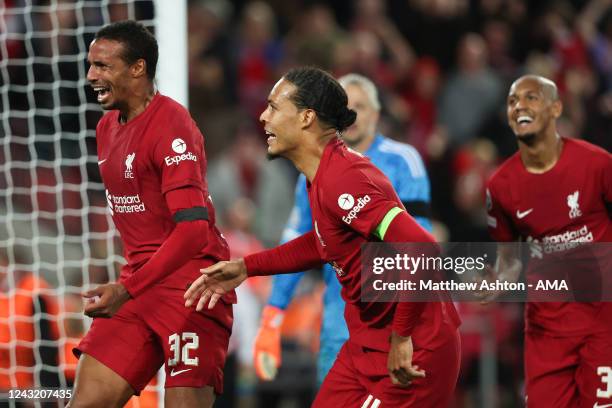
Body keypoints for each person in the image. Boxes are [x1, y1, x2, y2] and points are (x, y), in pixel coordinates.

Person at [185, 67, 460, 407]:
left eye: (274, 107)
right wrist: (247, 267)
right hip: (364, 345)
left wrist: (402, 336)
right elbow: (323, 243)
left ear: (306, 118)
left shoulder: (346, 179)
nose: (263, 116)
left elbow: (423, 249)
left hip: (412, 347)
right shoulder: (319, 176)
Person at [68, 21, 234, 408]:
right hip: (140, 285)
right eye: (91, 65)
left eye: (103, 66)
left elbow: (193, 230)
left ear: (138, 68)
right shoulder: (107, 127)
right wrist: (131, 286)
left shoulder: (173, 125)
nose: (91, 75)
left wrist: (127, 288)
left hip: (192, 290)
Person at [253, 73, 433, 385]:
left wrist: (404, 328)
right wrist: (273, 313)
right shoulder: (310, 172)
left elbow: (417, 243)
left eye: (361, 106)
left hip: (391, 321)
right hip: (338, 321)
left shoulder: (402, 161)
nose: (353, 114)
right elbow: (301, 241)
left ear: (376, 114)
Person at [486, 75, 612, 407]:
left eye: (531, 98)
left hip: (603, 324)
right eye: (513, 101)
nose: (519, 107)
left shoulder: (598, 165)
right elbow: (509, 259)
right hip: (546, 329)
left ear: (556, 108)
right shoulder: (500, 186)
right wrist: (497, 280)